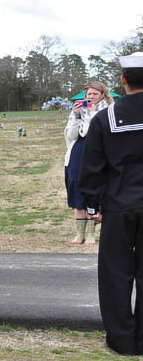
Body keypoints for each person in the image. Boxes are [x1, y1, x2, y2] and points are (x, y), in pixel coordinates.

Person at [79, 51, 143, 356]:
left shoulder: (105, 118)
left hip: (119, 204)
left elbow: (92, 167)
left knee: (116, 274)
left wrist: (93, 206)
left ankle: (121, 338)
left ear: (123, 80)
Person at [64, 80, 113, 246]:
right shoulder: (80, 111)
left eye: (95, 94)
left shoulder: (108, 111)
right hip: (78, 153)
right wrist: (75, 116)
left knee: (94, 191)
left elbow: (96, 132)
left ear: (103, 95)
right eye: (89, 94)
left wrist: (92, 114)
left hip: (97, 153)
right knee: (77, 190)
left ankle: (92, 233)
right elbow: (72, 135)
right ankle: (80, 233)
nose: (91, 97)